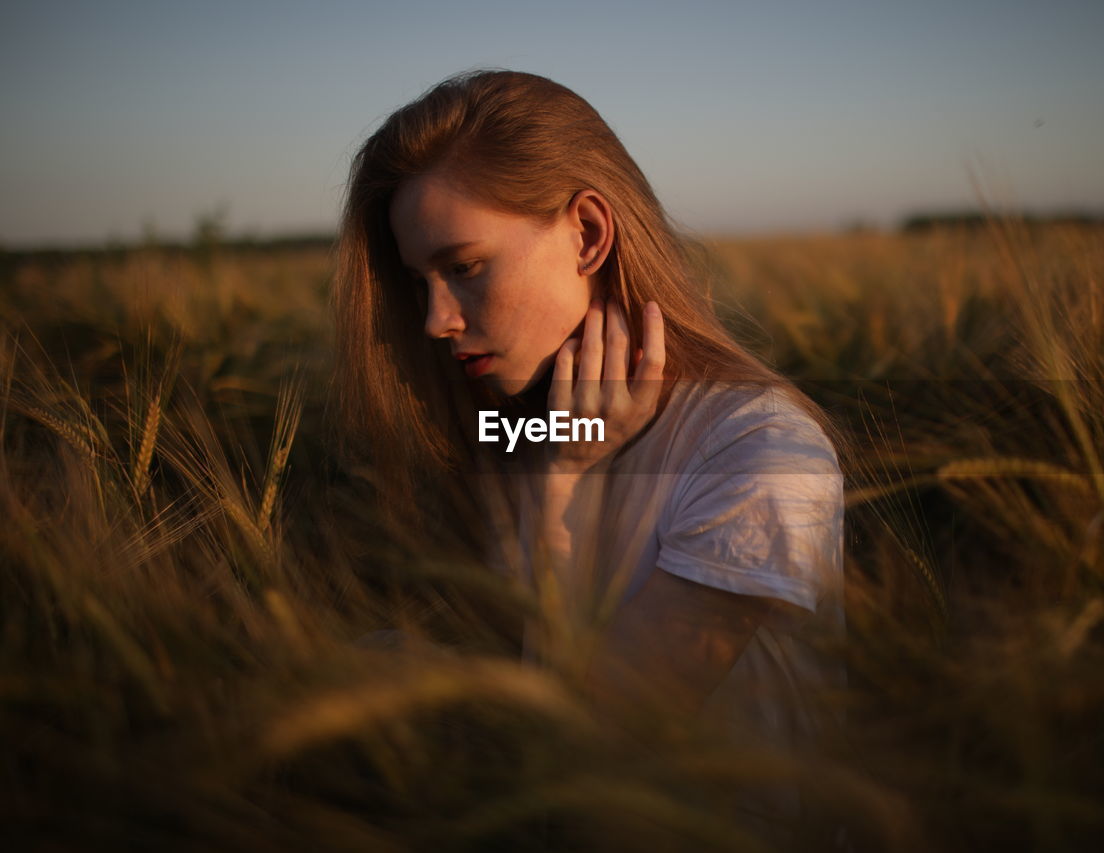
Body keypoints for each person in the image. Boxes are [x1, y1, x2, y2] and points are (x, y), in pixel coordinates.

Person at [333, 69, 851, 849]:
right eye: (419, 283)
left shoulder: (763, 453)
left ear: (587, 234)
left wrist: (565, 482)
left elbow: (590, 744)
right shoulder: (516, 425)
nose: (436, 319)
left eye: (465, 267)